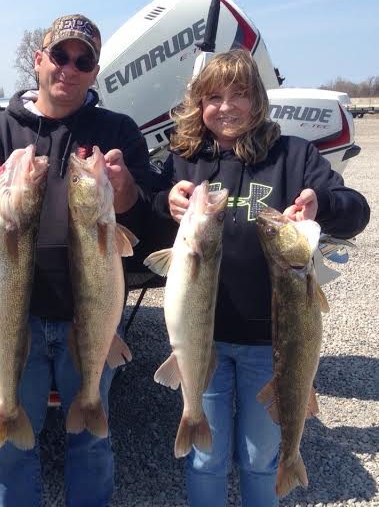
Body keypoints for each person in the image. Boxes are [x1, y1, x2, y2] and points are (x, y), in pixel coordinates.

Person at [151, 48, 370, 506]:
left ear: (258, 100)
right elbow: (142, 213)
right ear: (198, 103)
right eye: (214, 97)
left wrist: (321, 205)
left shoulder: (291, 155)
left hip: (270, 345)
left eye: (239, 94)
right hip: (200, 340)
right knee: (206, 458)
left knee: (259, 456)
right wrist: (162, 202)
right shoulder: (182, 156)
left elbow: (356, 212)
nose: (226, 107)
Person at [0, 13, 161, 507]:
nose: (69, 69)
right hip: (16, 320)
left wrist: (126, 189)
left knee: (91, 443)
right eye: (60, 56)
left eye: (83, 60)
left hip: (89, 318)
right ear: (38, 61)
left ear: (94, 72)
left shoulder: (117, 130)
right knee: (10, 449)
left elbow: (152, 220)